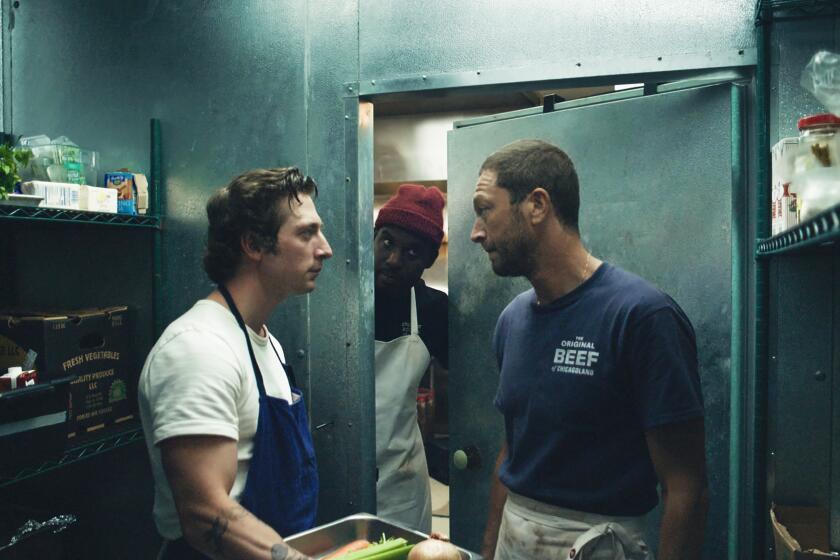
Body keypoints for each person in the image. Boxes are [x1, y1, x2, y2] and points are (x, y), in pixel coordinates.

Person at [470, 140, 708, 560]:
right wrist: (489, 549)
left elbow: (684, 483)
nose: (476, 232)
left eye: (485, 208)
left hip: (599, 544)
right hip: (516, 537)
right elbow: (513, 449)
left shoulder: (641, 316)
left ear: (537, 205)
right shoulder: (512, 320)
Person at [138, 167, 333, 560]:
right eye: (306, 233)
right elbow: (204, 514)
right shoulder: (198, 349)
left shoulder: (266, 343)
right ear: (253, 245)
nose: (324, 248)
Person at [374, 184, 448, 533]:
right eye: (387, 242)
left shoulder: (434, 311)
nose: (393, 259)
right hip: (337, 475)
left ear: (428, 261)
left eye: (411, 252)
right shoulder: (336, 301)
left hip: (401, 481)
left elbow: (469, 392)